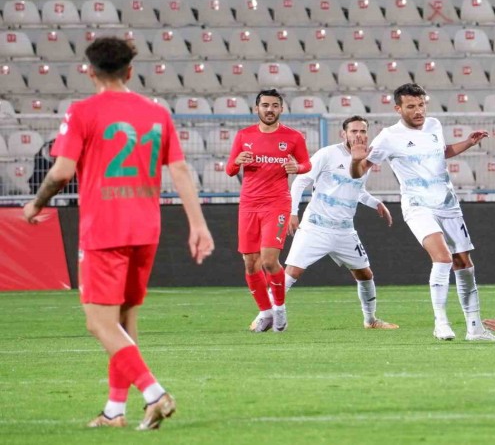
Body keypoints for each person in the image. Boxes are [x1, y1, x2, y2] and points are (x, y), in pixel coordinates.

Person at [22, 37, 214, 429]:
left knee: (99, 323)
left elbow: (61, 171)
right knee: (124, 321)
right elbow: (179, 169)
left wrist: (36, 204)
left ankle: (154, 394)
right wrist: (198, 224)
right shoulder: (156, 113)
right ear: (130, 71)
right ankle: (114, 411)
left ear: (89, 72)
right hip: (146, 229)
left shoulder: (82, 112)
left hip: (104, 229)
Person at [349, 83, 495, 341]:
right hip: (418, 205)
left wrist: (468, 143)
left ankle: (475, 328)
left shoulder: (433, 125)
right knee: (442, 258)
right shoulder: (388, 137)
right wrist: (355, 160)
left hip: (448, 203)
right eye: (411, 106)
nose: (418, 111)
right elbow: (358, 172)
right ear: (398, 109)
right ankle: (441, 322)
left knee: (464, 263)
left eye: (421, 105)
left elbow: (441, 152)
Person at [285, 115, 398, 330]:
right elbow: (300, 181)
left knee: (365, 274)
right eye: (354, 131)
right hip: (316, 226)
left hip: (345, 231)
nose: (358, 135)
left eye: (362, 131)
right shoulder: (327, 154)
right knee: (292, 272)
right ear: (343, 134)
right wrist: (293, 212)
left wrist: (375, 203)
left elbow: (357, 189)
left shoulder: (365, 158)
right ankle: (265, 316)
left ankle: (370, 320)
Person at [226, 89, 311, 333]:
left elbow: (306, 164)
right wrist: (237, 162)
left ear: (281, 109)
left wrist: (297, 167)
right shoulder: (244, 135)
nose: (270, 110)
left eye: (274, 105)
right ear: (257, 109)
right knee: (250, 263)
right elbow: (230, 170)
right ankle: (265, 312)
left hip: (276, 203)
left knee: (269, 260)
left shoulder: (293, 137)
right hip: (249, 205)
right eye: (265, 105)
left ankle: (280, 309)